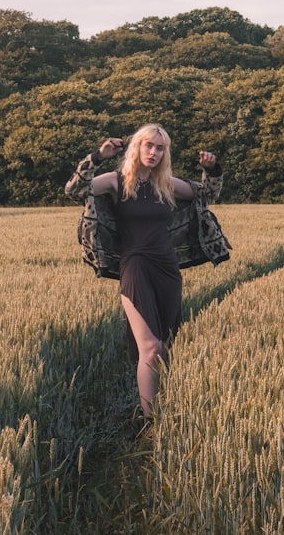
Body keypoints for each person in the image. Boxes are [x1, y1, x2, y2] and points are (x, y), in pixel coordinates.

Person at [65, 123, 230, 417]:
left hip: (167, 268)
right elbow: (75, 189)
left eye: (159, 148)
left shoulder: (166, 184)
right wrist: (97, 156)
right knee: (150, 348)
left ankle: (162, 409)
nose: (153, 153)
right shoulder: (116, 181)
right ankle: (149, 421)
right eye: (148, 146)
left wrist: (213, 167)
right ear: (137, 147)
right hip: (135, 265)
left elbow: (207, 194)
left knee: (165, 348)